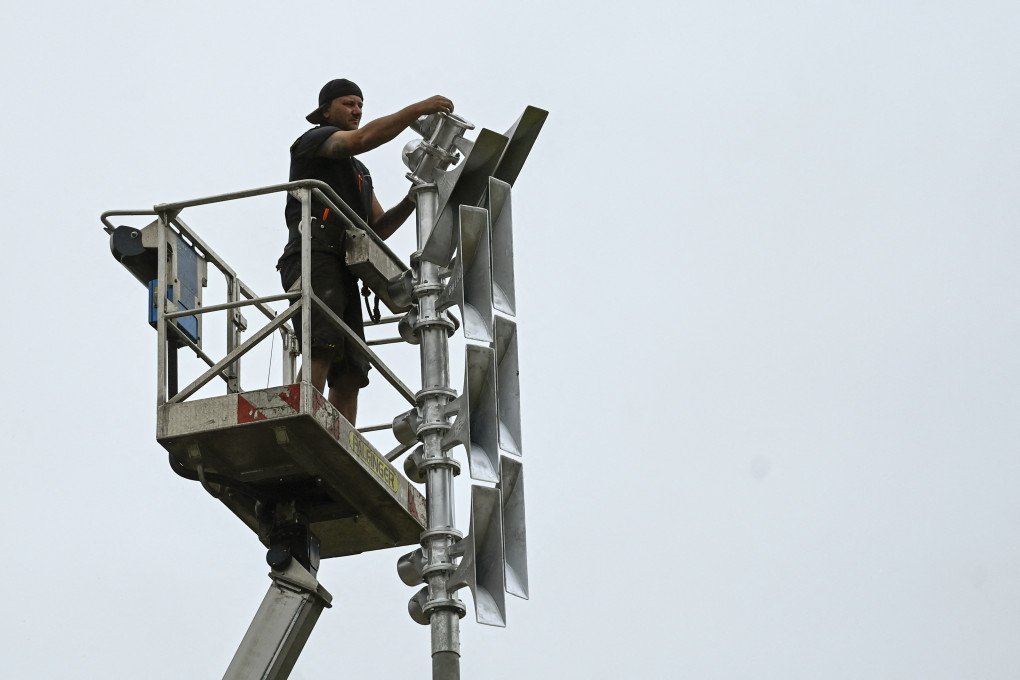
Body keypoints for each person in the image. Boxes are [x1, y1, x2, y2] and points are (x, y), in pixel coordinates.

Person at [278, 78, 454, 425]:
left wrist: (413, 197)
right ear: (326, 110)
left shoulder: (359, 173)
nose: (357, 110)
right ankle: (303, 419)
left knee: (352, 367)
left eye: (360, 105)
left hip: (345, 266)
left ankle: (339, 436)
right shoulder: (313, 142)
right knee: (322, 341)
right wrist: (417, 109)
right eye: (348, 103)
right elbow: (360, 140)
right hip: (314, 253)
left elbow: (378, 228)